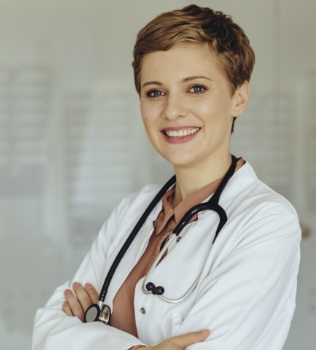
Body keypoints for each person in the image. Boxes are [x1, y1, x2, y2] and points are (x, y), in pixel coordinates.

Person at [32, 5, 301, 350]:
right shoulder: (134, 210)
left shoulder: (267, 221)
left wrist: (87, 336)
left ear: (239, 97)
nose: (172, 111)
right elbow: (48, 327)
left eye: (196, 88)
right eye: (155, 92)